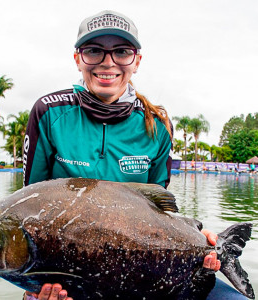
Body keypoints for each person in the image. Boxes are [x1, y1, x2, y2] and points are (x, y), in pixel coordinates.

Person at [22, 10, 220, 300]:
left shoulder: (158, 126)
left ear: (136, 61)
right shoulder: (48, 113)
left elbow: (158, 213)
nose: (108, 62)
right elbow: (28, 205)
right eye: (94, 51)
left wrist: (195, 235)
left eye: (121, 52)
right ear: (78, 58)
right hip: (58, 276)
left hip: (130, 272)